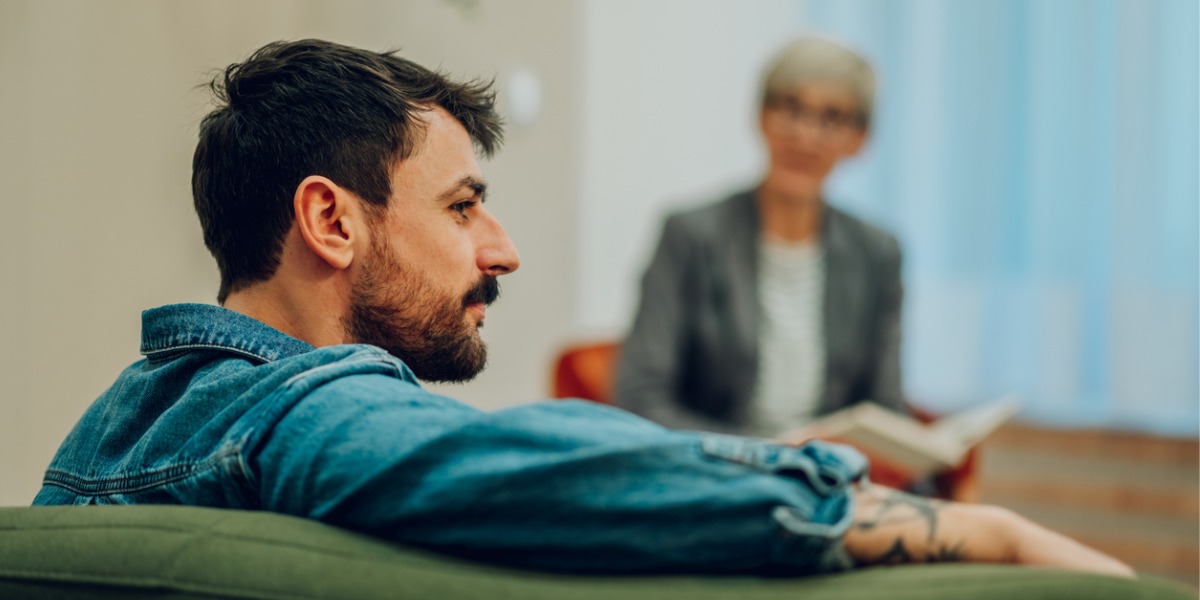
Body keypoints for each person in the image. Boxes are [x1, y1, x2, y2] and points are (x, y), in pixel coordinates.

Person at [33, 39, 1130, 579]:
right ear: (332, 221)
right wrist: (975, 526)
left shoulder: (118, 423)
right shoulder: (301, 413)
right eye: (464, 206)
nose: (502, 249)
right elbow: (563, 466)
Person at [615, 36, 906, 438]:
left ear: (858, 139)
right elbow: (640, 396)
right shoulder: (690, 235)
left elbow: (885, 407)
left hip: (826, 476)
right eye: (791, 108)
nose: (805, 135)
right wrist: (765, 459)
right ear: (761, 115)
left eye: (831, 117)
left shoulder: (877, 254)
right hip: (718, 470)